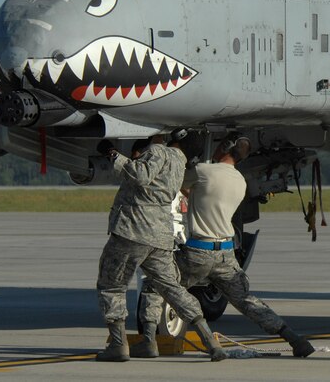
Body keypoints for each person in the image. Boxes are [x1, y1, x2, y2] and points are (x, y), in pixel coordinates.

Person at [134, 132, 315, 359]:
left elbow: (172, 181)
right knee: (247, 301)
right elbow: (204, 195)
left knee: (155, 284)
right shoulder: (240, 181)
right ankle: (294, 339)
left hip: (198, 252)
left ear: (225, 147)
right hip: (226, 254)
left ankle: (149, 341)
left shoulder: (203, 172)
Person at [95, 133, 227, 362]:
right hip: (160, 236)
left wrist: (112, 154)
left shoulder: (159, 151)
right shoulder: (180, 163)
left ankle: (118, 346)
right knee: (171, 288)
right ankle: (209, 342)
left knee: (111, 286)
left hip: (132, 231)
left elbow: (139, 174)